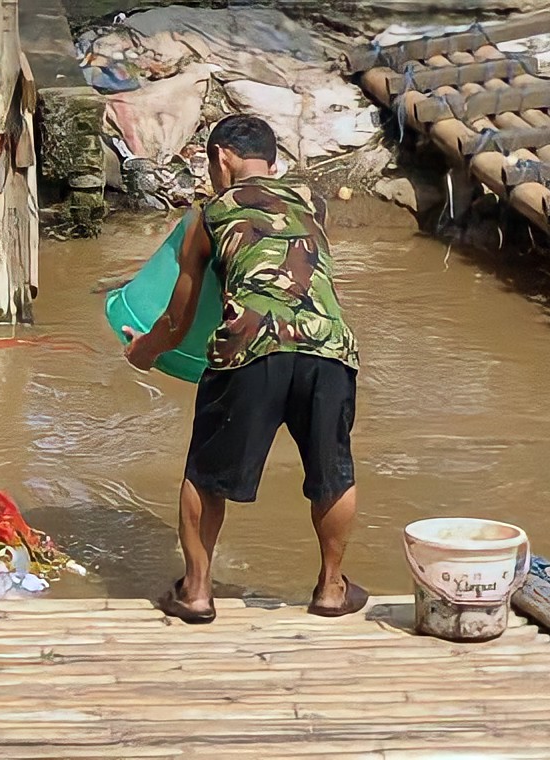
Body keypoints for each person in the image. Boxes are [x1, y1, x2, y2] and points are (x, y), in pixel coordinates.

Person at [123, 114, 367, 624]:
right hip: (329, 349)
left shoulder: (206, 215)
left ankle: (195, 591)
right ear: (274, 162)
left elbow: (176, 318)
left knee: (205, 475)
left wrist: (141, 353)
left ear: (221, 158)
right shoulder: (314, 203)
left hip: (251, 345)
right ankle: (330, 588)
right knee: (333, 472)